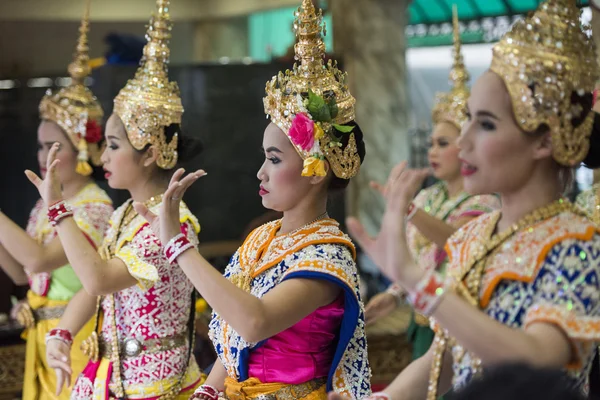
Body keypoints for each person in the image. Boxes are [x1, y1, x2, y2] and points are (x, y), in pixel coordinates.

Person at [330, 0, 600, 399]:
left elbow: (535, 363)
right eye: (469, 119)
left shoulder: (580, 244)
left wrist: (418, 283)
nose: (463, 141)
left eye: (486, 124)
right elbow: (449, 357)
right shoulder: (471, 236)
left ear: (544, 140)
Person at [134, 1, 371, 399]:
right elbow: (232, 331)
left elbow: (254, 321)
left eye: (275, 159)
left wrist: (178, 245)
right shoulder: (262, 239)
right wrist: (210, 389)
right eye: (264, 157)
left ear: (318, 169)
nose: (261, 172)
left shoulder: (328, 256)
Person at [26, 0, 205, 398]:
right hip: (108, 377)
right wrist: (61, 333)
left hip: (157, 385)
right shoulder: (125, 212)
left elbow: (98, 277)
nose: (103, 157)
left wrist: (58, 208)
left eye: (112, 145)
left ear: (150, 152)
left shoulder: (174, 221)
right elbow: (93, 292)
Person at [364, 7, 499, 363]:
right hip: (424, 319)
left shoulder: (486, 202)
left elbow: (457, 240)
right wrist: (393, 296)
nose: (433, 151)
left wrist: (407, 208)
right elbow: (418, 259)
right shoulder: (430, 196)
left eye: (443, 143)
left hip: (465, 321)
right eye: (431, 143)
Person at [0, 2, 114, 398]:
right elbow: (21, 273)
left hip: (75, 335)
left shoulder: (96, 206)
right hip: (40, 334)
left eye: (53, 146)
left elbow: (38, 259)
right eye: (39, 146)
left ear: (82, 149)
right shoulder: (46, 204)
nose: (42, 155)